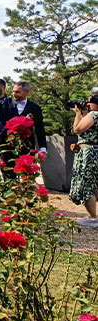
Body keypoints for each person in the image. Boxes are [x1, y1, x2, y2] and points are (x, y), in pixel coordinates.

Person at [0, 80, 47, 158]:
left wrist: (42, 149)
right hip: (5, 146)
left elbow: (40, 129)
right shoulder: (6, 103)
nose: (14, 94)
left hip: (25, 147)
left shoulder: (35, 108)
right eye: (13, 91)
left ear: (27, 92)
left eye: (17, 92)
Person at [69, 94, 98, 227]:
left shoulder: (94, 115)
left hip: (89, 153)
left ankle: (93, 218)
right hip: (95, 151)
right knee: (95, 184)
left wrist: (78, 113)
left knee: (86, 184)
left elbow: (78, 129)